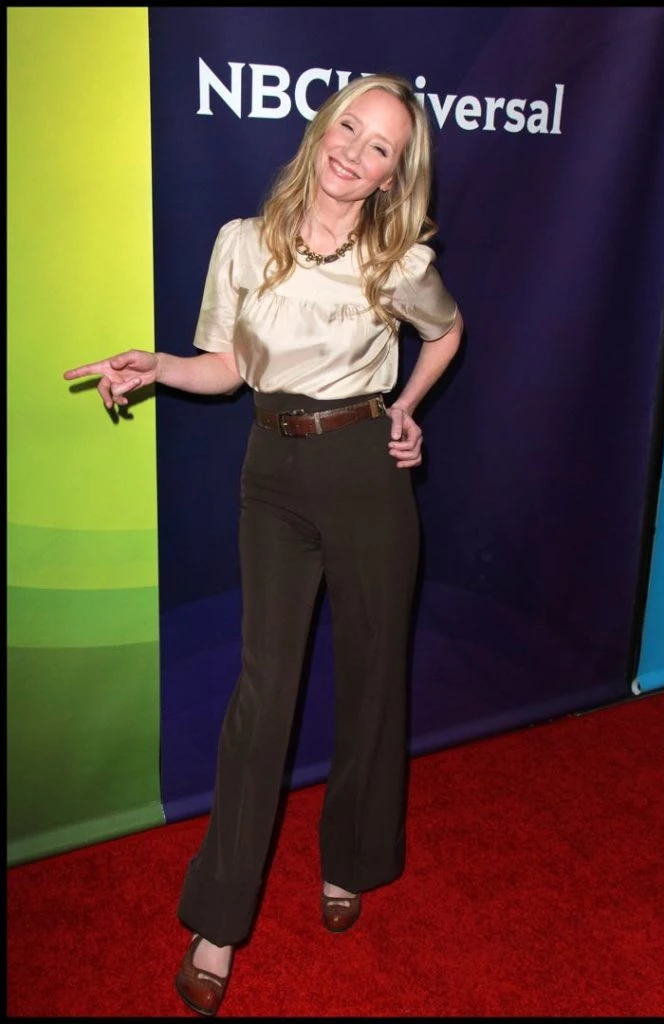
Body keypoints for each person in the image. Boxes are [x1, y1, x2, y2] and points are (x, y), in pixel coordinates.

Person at [64, 72, 463, 1016]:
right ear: (323, 126)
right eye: (349, 127)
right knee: (262, 693)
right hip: (272, 474)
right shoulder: (242, 242)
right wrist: (160, 367)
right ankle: (217, 918)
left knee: (373, 675)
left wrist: (406, 410)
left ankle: (350, 858)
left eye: (379, 147)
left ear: (391, 175)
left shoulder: (399, 258)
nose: (354, 152)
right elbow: (230, 368)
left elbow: (446, 334)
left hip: (365, 470)